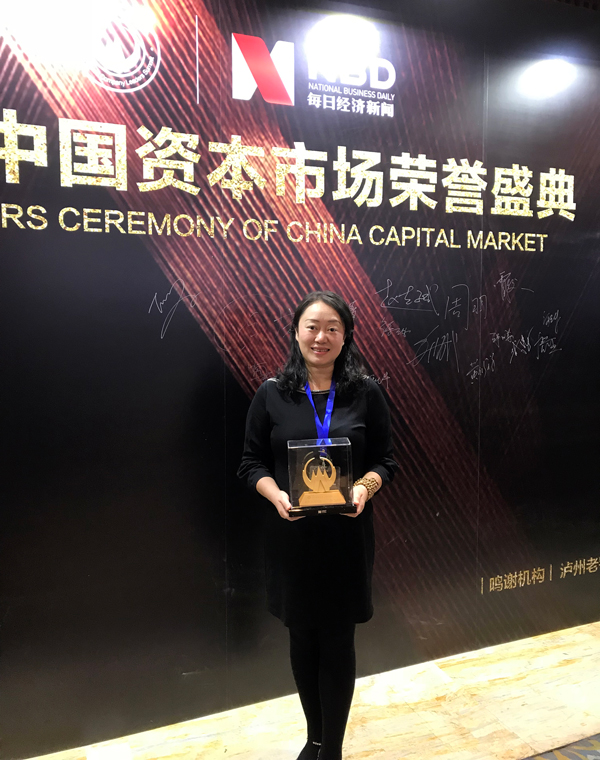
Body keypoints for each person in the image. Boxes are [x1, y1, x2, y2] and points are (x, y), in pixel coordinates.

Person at [238, 291, 397, 760]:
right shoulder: (272, 393)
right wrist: (276, 495)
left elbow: (386, 461)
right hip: (292, 539)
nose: (320, 336)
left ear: (346, 336)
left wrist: (364, 488)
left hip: (346, 539)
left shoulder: (366, 393)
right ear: (295, 332)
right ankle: (316, 738)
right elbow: (250, 463)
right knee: (302, 636)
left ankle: (333, 750)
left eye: (332, 327)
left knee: (338, 639)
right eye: (312, 326)